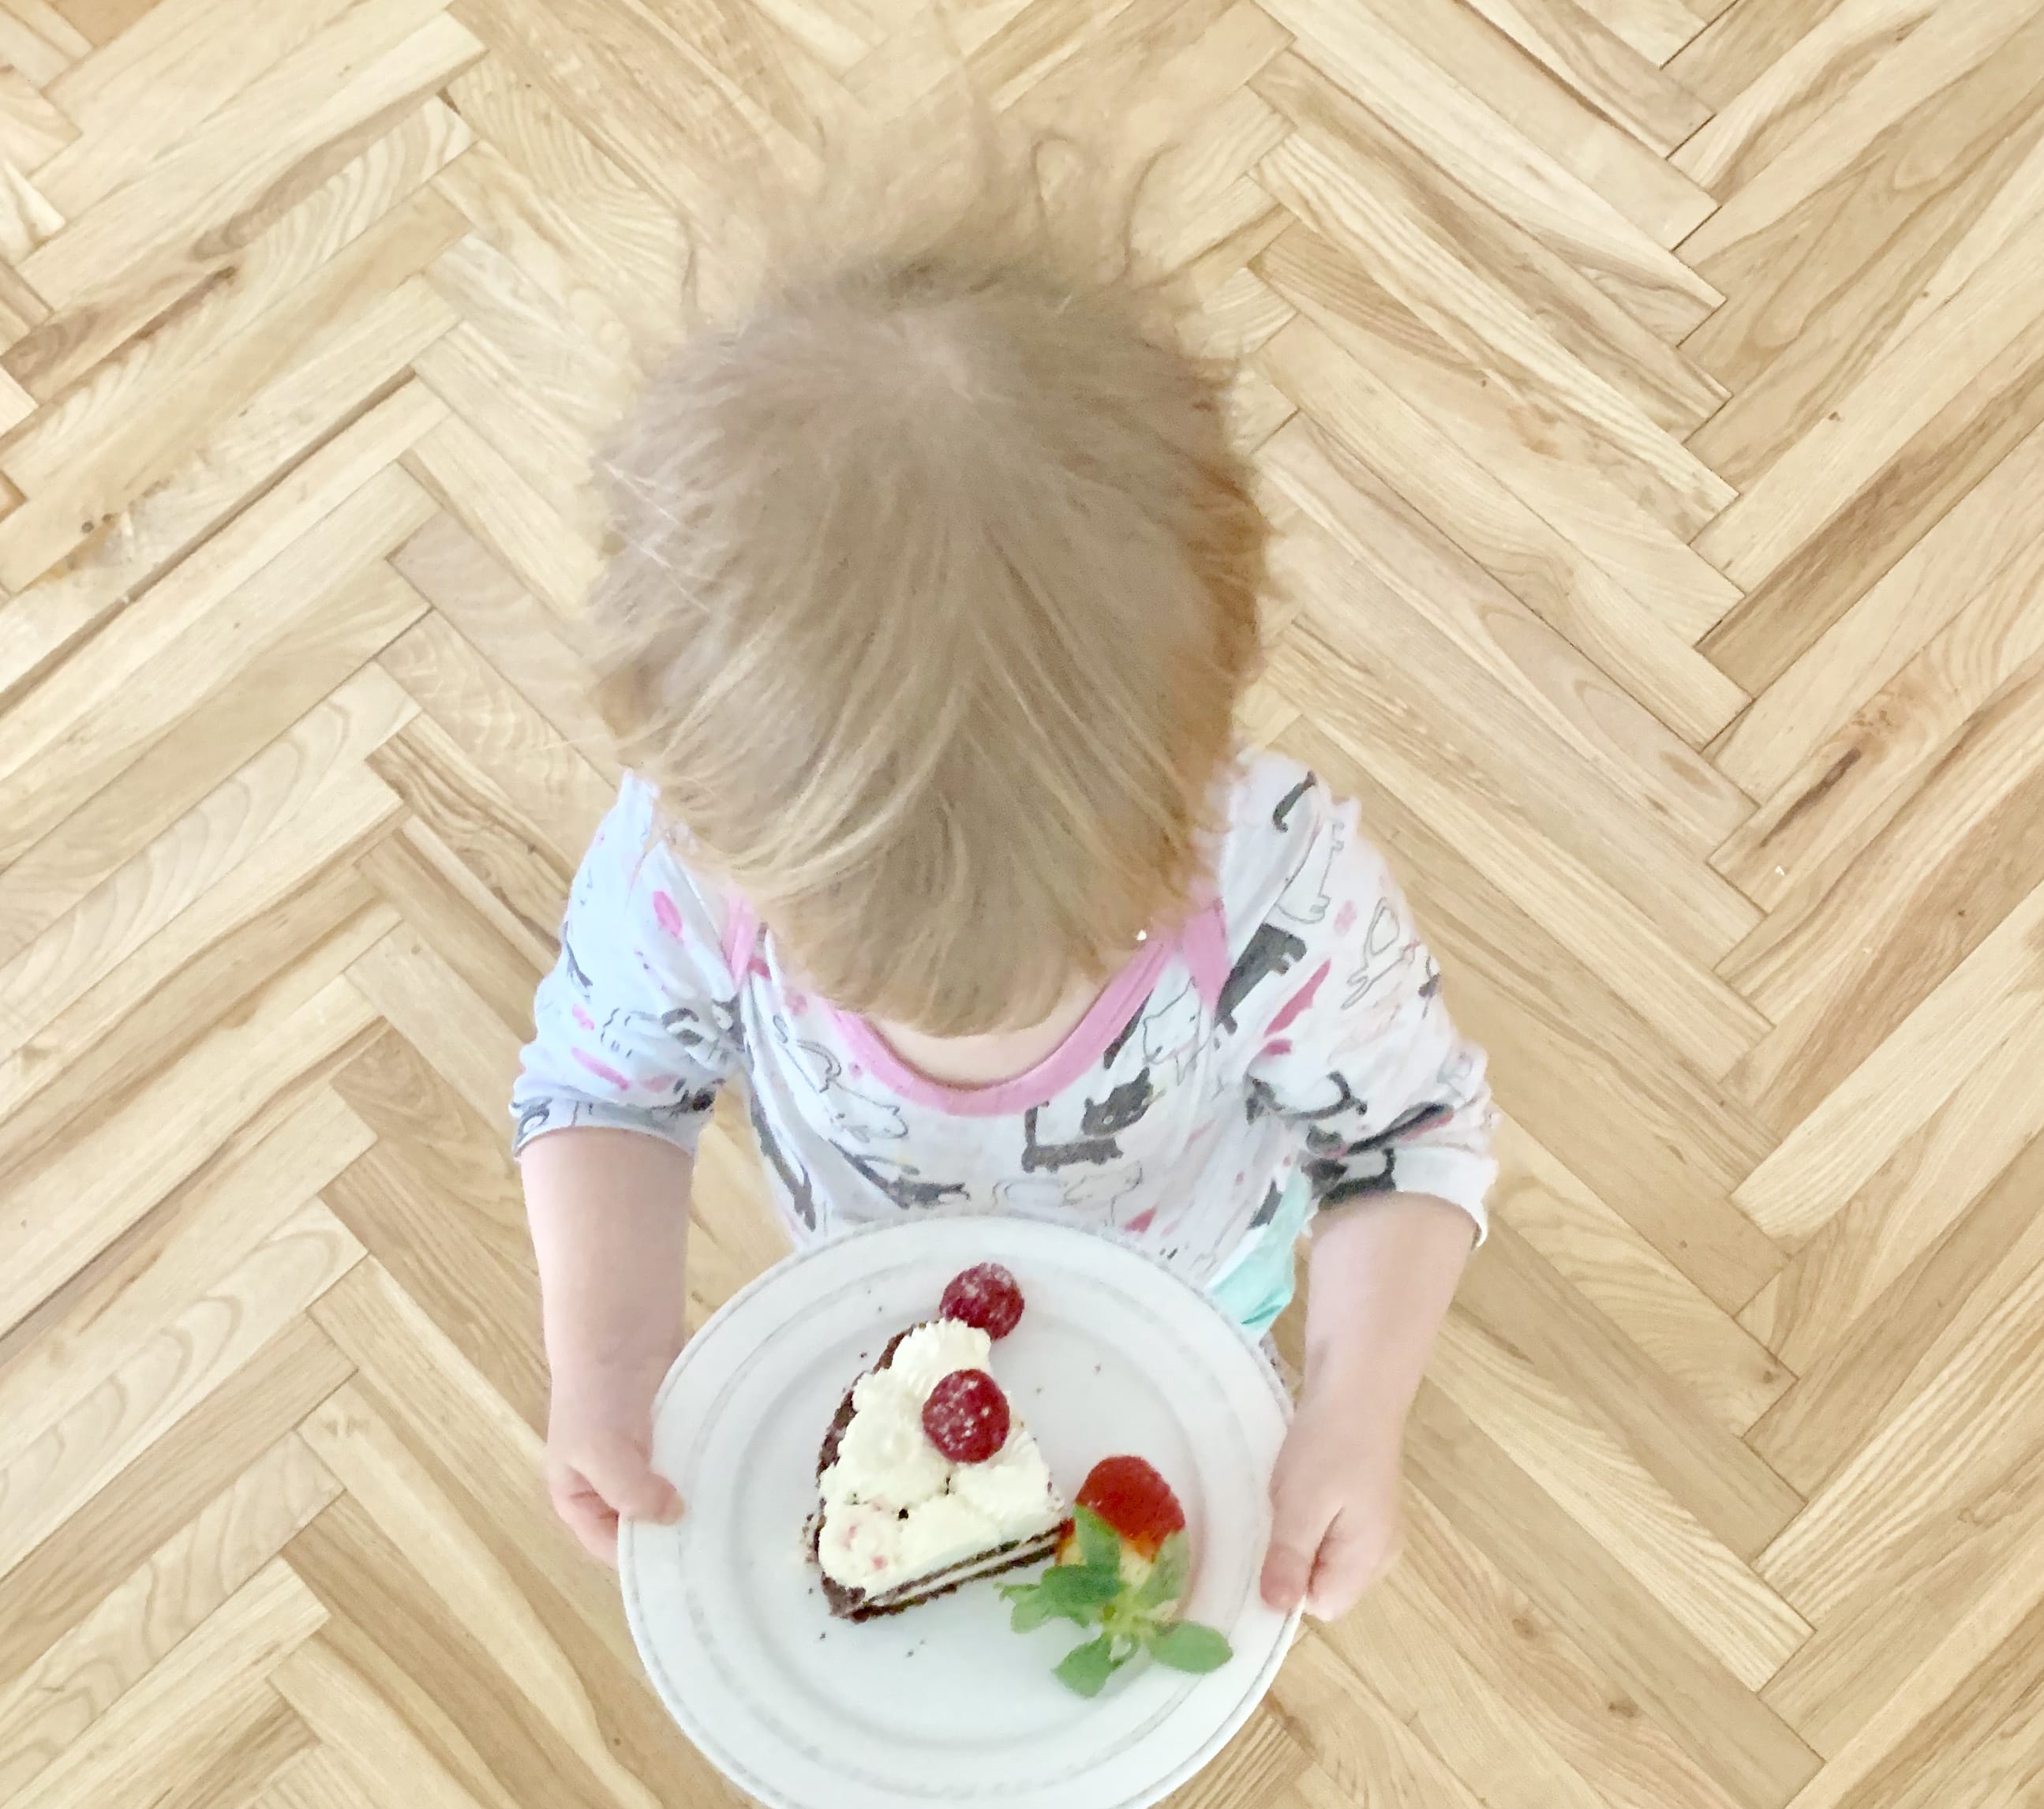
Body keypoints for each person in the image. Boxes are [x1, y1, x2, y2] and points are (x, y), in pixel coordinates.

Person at [511, 178, 1496, 1621]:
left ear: (1197, 768)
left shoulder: (1277, 892)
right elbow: (601, 1091)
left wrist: (1355, 1407)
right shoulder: (688, 861)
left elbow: (1409, 1139)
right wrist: (606, 1362)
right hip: (864, 1284)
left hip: (1194, 1284)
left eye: (1070, 964)